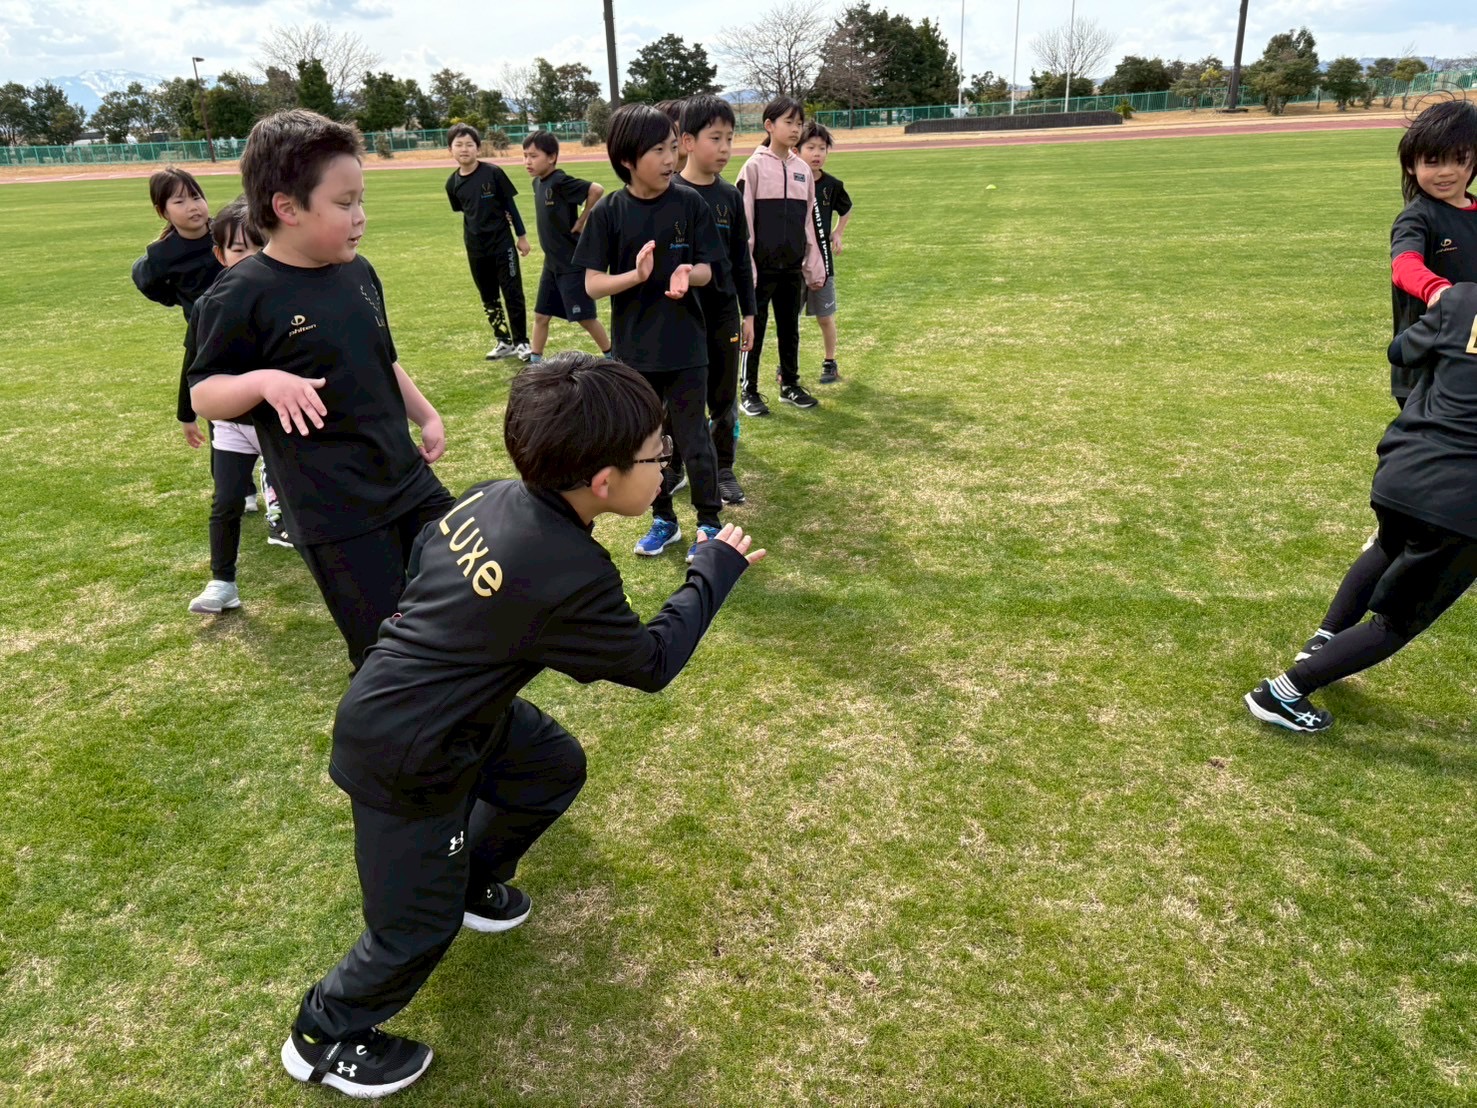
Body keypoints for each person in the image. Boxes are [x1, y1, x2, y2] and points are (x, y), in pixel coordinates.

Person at [280, 353, 765, 1099]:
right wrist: (711, 572)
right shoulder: (568, 570)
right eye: (655, 454)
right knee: (413, 930)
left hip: (452, 716)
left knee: (548, 765)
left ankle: (474, 879)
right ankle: (324, 1034)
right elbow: (650, 661)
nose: (665, 463)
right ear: (604, 482)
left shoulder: (495, 495)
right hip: (408, 755)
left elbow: (423, 557)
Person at [188, 109, 454, 670]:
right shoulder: (240, 295)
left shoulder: (359, 272)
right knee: (388, 653)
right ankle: (393, 750)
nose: (360, 217)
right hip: (336, 510)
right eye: (344, 203)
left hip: (407, 480)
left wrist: (426, 415)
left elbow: (384, 359)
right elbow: (204, 394)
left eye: (361, 199)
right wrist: (263, 379)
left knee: (464, 605)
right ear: (286, 207)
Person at [1246, 284, 1477, 732]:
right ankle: (1281, 693)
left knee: (1388, 546)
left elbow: (1402, 351)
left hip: (1404, 469)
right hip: (1460, 502)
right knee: (1396, 621)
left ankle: (1322, 641)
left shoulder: (1462, 299)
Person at [572, 103, 727, 561]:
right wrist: (635, 278)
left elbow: (707, 267)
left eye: (671, 147)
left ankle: (709, 524)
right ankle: (664, 521)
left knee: (693, 437)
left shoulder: (689, 203)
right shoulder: (610, 213)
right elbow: (592, 284)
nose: (669, 159)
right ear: (627, 159)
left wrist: (687, 273)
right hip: (635, 352)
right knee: (647, 443)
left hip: (686, 346)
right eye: (657, 150)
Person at [182, 198, 293, 615]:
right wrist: (186, 414)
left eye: (255, 246)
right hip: (231, 424)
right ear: (219, 254)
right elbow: (194, 367)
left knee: (307, 502)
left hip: (280, 423)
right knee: (226, 499)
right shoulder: (211, 304)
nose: (246, 257)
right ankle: (222, 582)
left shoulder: (284, 296)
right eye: (236, 249)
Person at [133, 168, 261, 515]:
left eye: (196, 196)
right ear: (163, 211)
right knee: (219, 409)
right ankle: (240, 488)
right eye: (180, 200)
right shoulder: (162, 254)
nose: (193, 206)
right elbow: (145, 280)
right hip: (208, 332)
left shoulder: (224, 230)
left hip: (251, 324)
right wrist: (184, 301)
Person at [679, 94, 756, 506]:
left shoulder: (729, 196)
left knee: (724, 400)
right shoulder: (669, 193)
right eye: (715, 138)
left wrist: (750, 314)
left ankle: (723, 468)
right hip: (681, 318)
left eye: (730, 138)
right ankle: (674, 468)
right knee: (681, 399)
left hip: (724, 315)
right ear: (688, 141)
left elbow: (741, 261)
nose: (725, 148)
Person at [735, 96, 827, 415]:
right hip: (761, 269)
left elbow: (808, 224)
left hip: (791, 269)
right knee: (754, 330)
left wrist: (813, 262)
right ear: (769, 125)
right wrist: (748, 270)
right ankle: (749, 390)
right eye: (789, 122)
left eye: (799, 123)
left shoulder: (803, 170)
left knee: (790, 327)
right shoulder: (754, 167)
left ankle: (789, 383)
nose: (795, 129)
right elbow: (743, 224)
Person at [1386, 97, 1477, 409]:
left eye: (1458, 159)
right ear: (1412, 165)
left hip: (1469, 360)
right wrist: (1436, 289)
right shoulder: (1418, 217)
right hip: (1425, 366)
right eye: (1433, 161)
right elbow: (1404, 264)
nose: (1446, 172)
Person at [520, 131, 611, 363]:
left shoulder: (560, 181)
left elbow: (596, 190)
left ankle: (612, 356)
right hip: (551, 264)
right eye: (525, 156)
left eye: (533, 156)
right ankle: (535, 363)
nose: (527, 162)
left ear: (551, 157)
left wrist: (583, 220)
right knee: (541, 316)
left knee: (585, 318)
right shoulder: (537, 183)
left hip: (571, 263)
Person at [447, 123, 532, 361]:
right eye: (459, 145)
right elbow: (465, 211)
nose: (464, 149)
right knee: (488, 295)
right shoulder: (451, 184)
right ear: (450, 150)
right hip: (475, 248)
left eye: (469, 144)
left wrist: (521, 237)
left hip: (502, 244)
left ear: (478, 148)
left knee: (513, 292)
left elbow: (510, 207)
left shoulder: (493, 173)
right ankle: (503, 341)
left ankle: (522, 343)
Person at [798, 121, 853, 385]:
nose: (817, 153)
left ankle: (830, 361)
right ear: (797, 150)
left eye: (822, 148)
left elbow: (847, 208)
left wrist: (838, 232)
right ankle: (787, 367)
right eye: (810, 147)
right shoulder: (790, 180)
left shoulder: (832, 185)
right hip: (793, 262)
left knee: (825, 317)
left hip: (822, 263)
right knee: (789, 320)